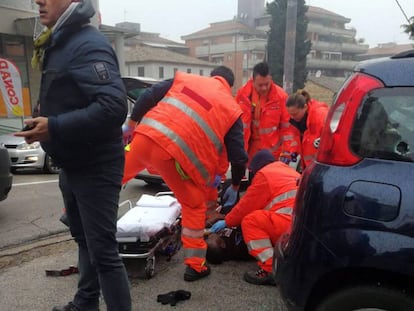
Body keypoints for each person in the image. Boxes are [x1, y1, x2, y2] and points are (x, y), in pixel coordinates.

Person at [15, 1, 131, 310]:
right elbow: (71, 95)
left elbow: (113, 107)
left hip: (96, 165)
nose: (39, 0)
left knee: (104, 253)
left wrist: (54, 126)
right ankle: (85, 304)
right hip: (72, 163)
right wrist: (45, 116)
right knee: (84, 241)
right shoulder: (59, 41)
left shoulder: (87, 43)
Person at [122, 66, 248, 282]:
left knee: (110, 177)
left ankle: (74, 210)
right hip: (174, 157)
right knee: (193, 206)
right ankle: (195, 266)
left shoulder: (185, 79)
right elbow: (238, 157)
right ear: (230, 85)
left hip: (143, 138)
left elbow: (148, 95)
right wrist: (235, 185)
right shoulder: (231, 108)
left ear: (212, 76)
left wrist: (131, 124)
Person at [210, 149, 300, 286]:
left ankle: (270, 269)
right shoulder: (289, 171)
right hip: (302, 227)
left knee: (251, 221)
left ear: (258, 167)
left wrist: (227, 221)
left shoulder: (265, 175)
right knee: (263, 219)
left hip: (288, 226)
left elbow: (246, 205)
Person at [235, 62, 298, 166]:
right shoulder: (243, 95)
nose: (264, 88)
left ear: (271, 79)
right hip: (249, 151)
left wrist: (287, 153)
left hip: (272, 154)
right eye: (260, 85)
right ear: (253, 80)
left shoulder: (281, 97)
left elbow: (288, 128)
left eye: (267, 84)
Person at [286, 90, 329, 169]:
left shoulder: (321, 117)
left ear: (305, 107)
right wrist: (293, 152)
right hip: (308, 167)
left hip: (322, 167)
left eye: (295, 114)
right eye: (290, 114)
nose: (292, 117)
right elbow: (297, 140)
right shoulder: (294, 121)